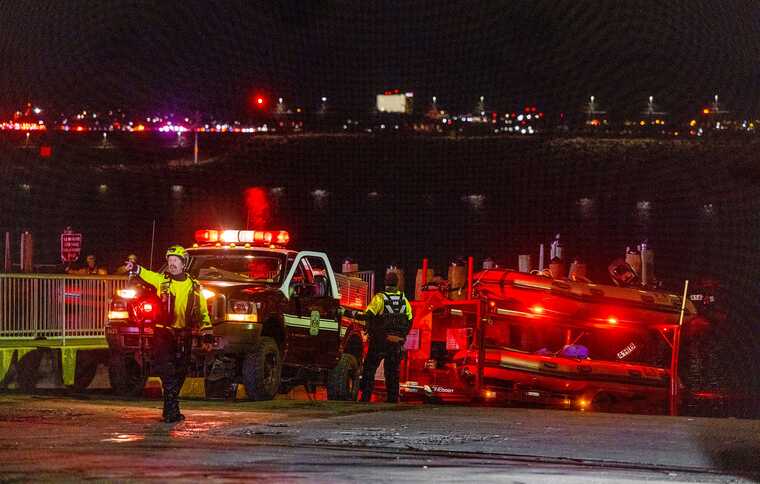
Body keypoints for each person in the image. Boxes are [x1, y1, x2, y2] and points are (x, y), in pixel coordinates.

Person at [126, 245, 212, 423]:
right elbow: (146, 273)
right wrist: (135, 268)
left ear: (183, 264)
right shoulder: (162, 280)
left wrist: (207, 335)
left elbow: (203, 312)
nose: (171, 264)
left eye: (175, 261)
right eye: (170, 261)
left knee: (181, 372)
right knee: (167, 371)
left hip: (184, 335)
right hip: (163, 333)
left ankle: (170, 408)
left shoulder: (195, 286)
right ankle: (172, 410)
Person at [358, 271, 413, 403]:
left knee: (369, 370)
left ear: (386, 283)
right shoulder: (404, 300)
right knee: (393, 373)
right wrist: (402, 336)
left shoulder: (380, 298)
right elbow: (410, 319)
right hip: (396, 342)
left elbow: (369, 314)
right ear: (397, 283)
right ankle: (393, 400)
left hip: (380, 341)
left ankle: (365, 398)